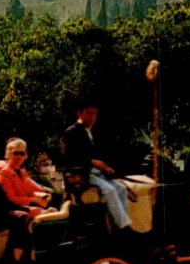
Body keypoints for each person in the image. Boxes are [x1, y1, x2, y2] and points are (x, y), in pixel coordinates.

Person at [59, 101, 140, 240]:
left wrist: (105, 167)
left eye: (94, 114)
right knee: (110, 190)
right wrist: (93, 162)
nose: (92, 117)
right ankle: (124, 228)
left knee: (121, 189)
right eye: (88, 113)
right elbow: (68, 157)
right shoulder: (71, 132)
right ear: (80, 113)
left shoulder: (90, 132)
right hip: (81, 175)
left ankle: (119, 225)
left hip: (95, 173)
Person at [0, 137, 55, 211]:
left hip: (25, 207)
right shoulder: (4, 174)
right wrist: (34, 200)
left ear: (26, 156)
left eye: (22, 153)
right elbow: (11, 199)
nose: (19, 157)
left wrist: (44, 196)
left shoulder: (22, 173)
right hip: (13, 211)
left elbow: (29, 192)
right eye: (15, 153)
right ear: (7, 155)